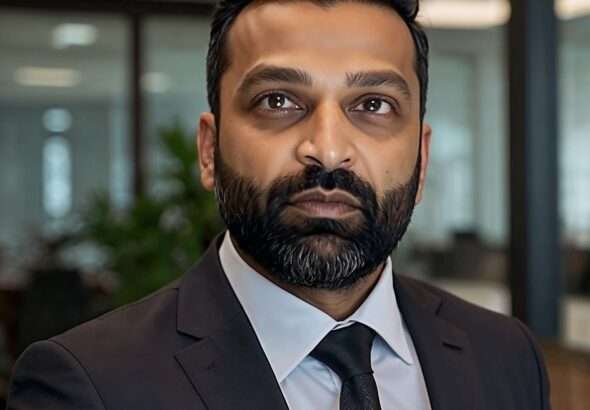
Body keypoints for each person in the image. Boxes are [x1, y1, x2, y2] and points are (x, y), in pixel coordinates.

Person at [7, 0, 550, 409]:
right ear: (209, 150)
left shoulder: (505, 355)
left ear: (422, 157)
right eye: (279, 100)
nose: (329, 150)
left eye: (374, 104)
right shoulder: (90, 385)